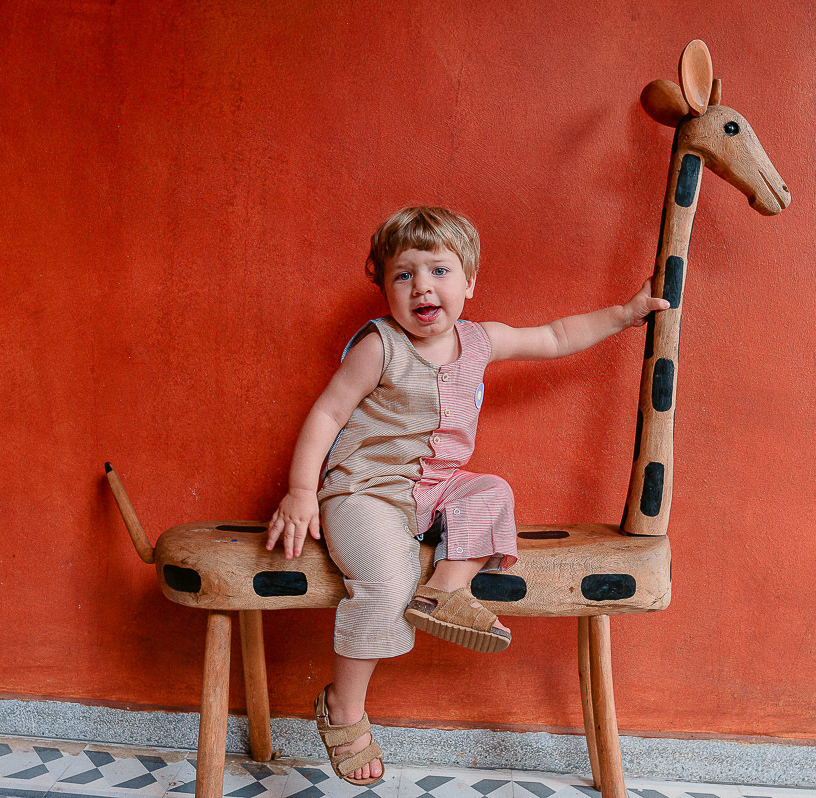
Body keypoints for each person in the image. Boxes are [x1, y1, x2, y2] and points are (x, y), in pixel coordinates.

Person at [265, 206, 668, 785]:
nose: (422, 286)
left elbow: (555, 336)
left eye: (439, 271)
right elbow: (328, 413)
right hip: (366, 492)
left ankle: (443, 594)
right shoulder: (379, 347)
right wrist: (302, 491)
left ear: (469, 283)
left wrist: (626, 315)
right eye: (404, 274)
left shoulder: (480, 341)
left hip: (432, 491)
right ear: (382, 284)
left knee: (492, 489)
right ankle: (343, 710)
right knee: (385, 576)